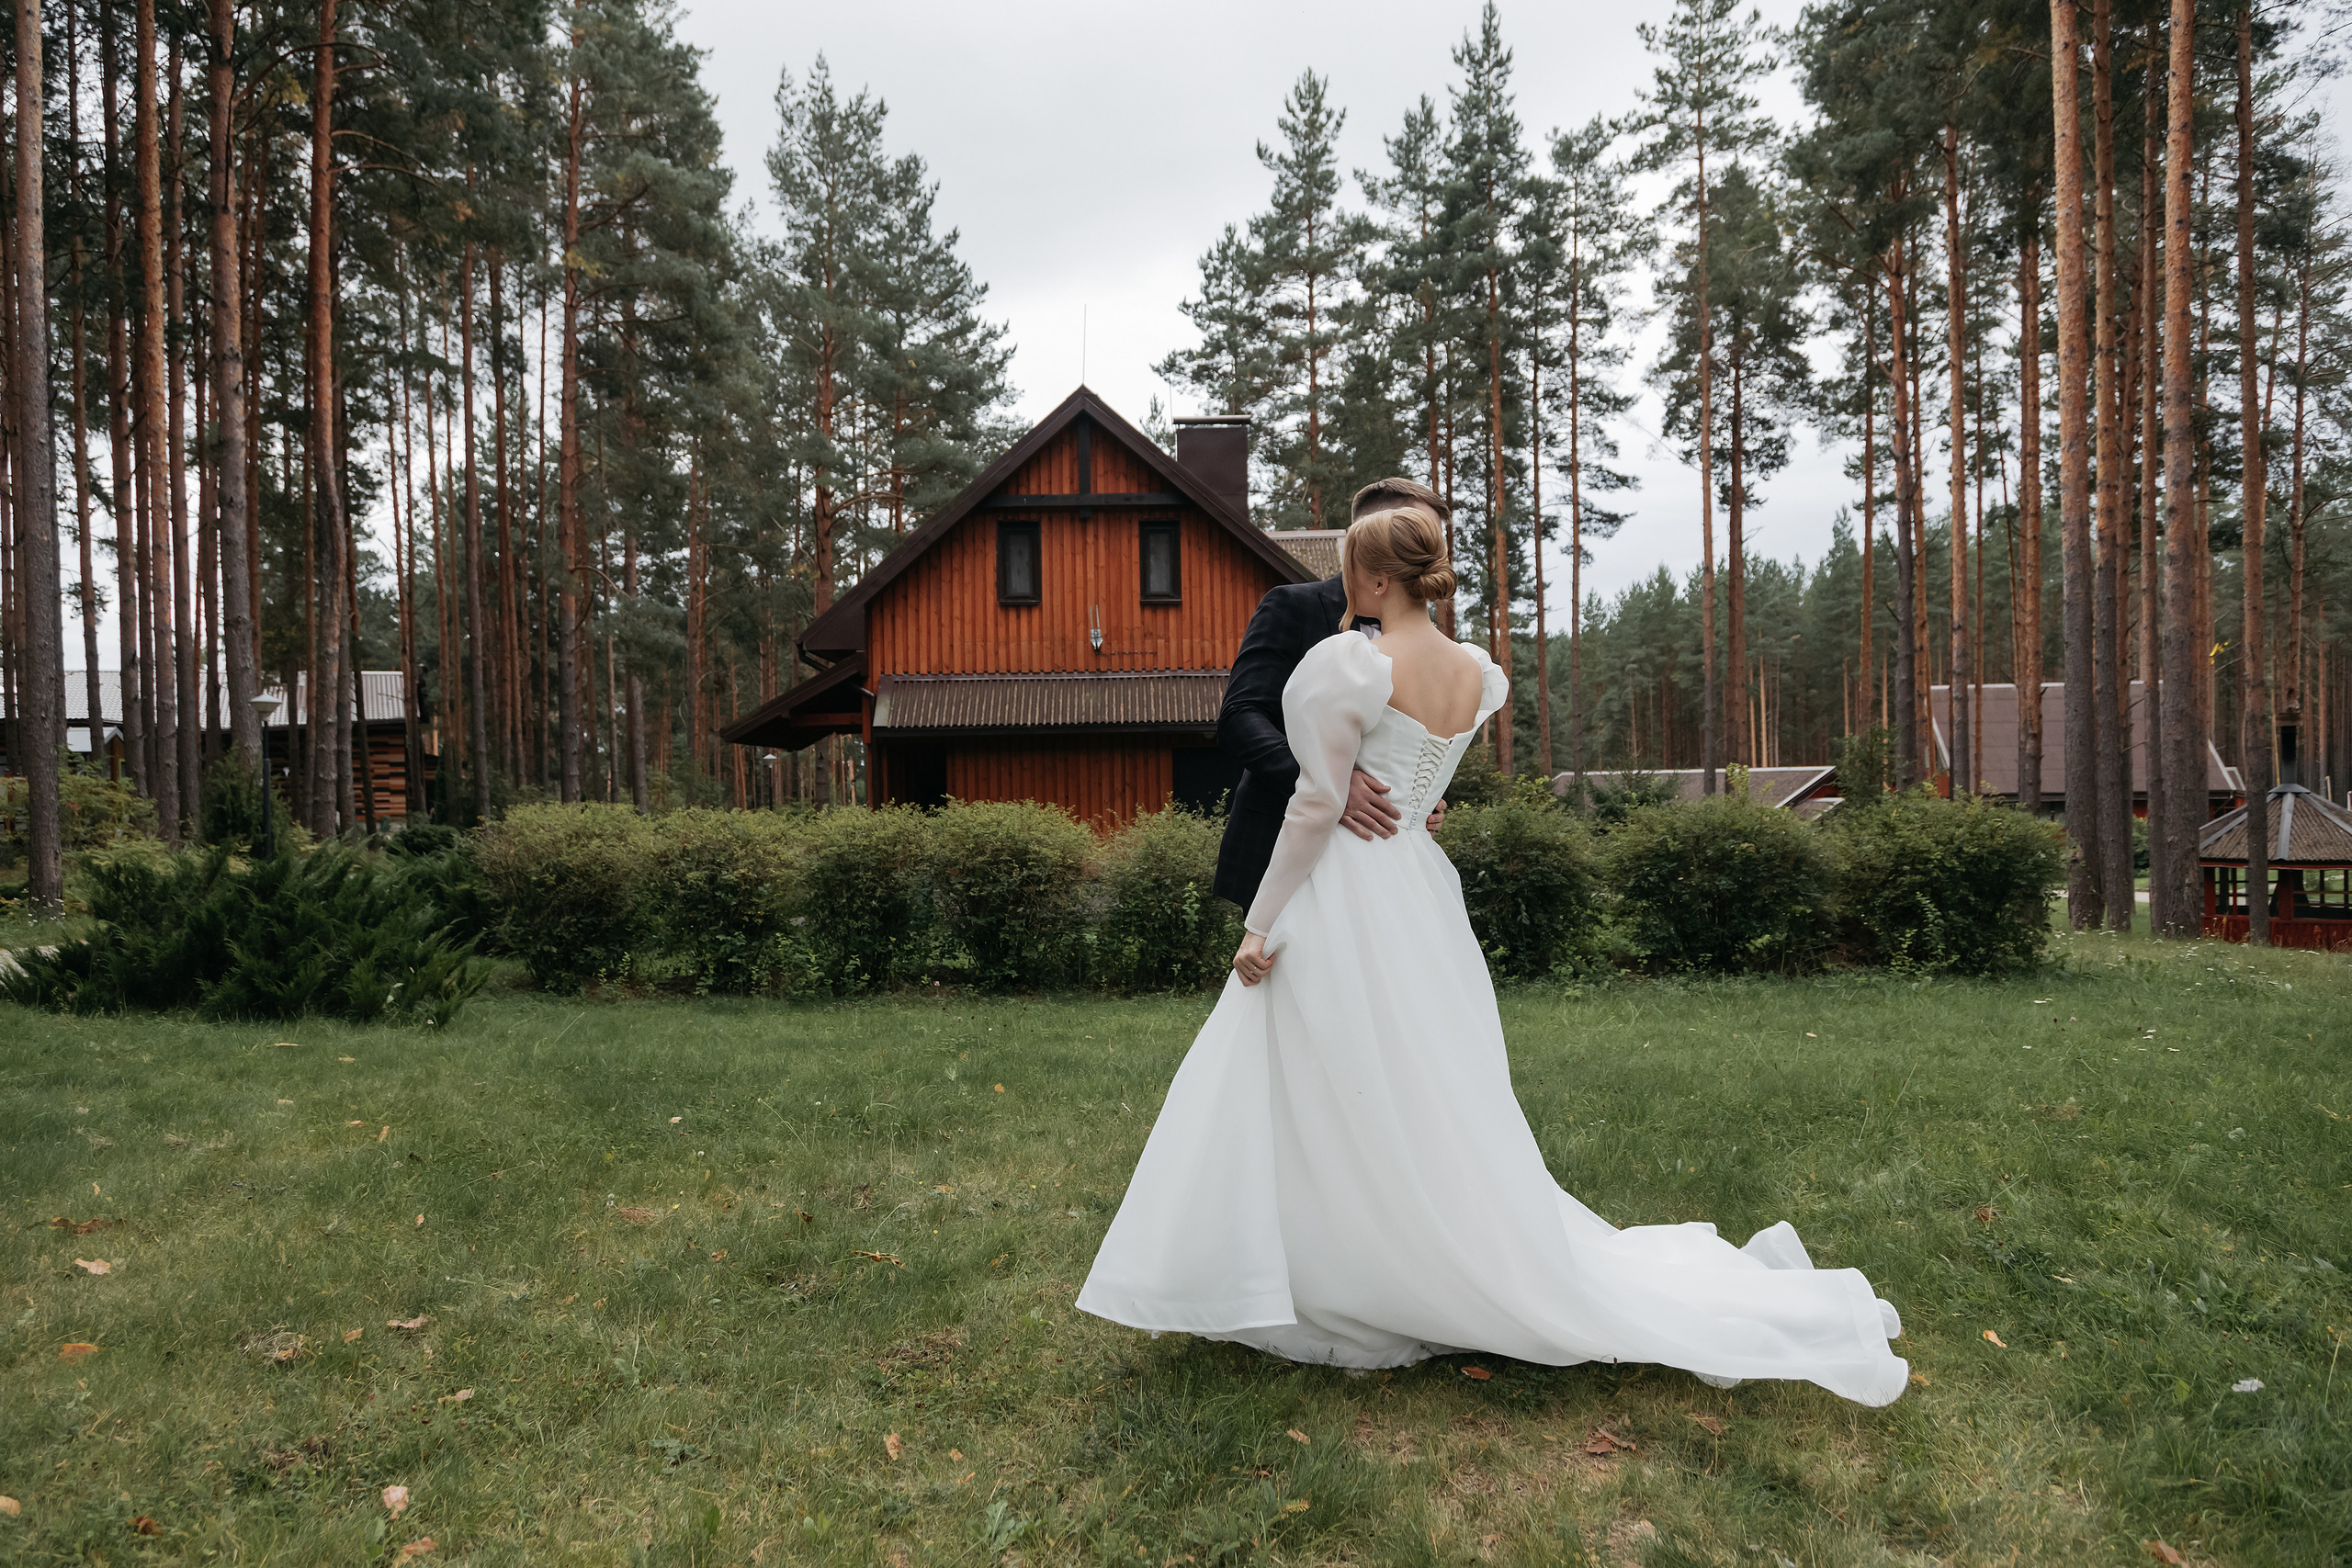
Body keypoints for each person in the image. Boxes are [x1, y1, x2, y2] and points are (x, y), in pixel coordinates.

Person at [1077, 493, 1909, 1407]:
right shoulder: (1472, 669)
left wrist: (1259, 923)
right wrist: (1398, 794)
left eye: (1351, 568)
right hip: (1415, 889)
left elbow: (1317, 806)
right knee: (1404, 1073)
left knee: (1327, 1069)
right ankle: (1355, 1251)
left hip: (1342, 886)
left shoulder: (1350, 662)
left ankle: (1345, 1270)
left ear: (1376, 576)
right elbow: (1376, 760)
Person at [1210, 479, 1451, 912]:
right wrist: (1330, 784)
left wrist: (1420, 798)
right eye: (1419, 532)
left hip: (1384, 862)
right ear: (1371, 532)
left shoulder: (1431, 642)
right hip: (1285, 849)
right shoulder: (1292, 605)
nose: (1432, 552)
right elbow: (1241, 717)